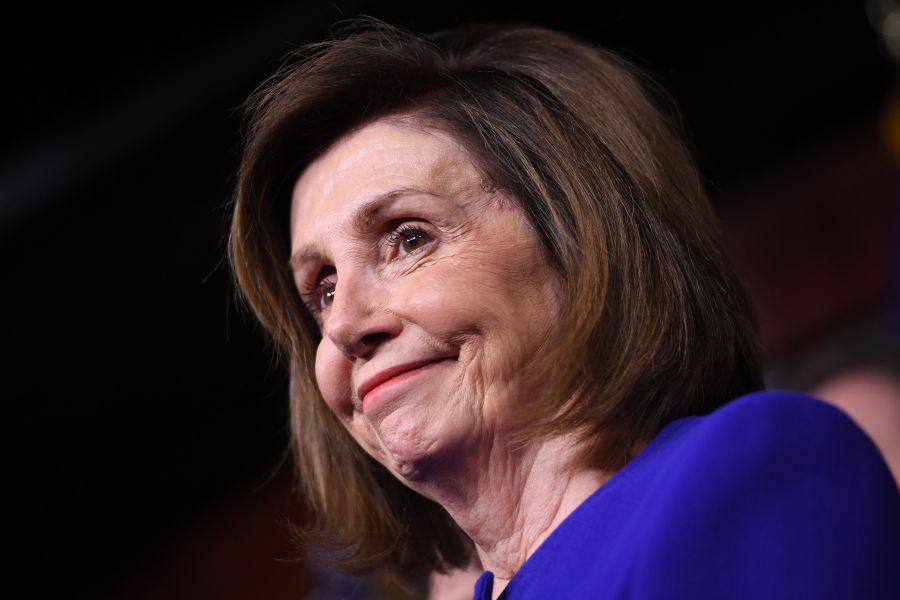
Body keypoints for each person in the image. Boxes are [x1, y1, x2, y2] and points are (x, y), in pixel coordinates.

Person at [229, 19, 900, 599]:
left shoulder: (749, 477)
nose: (344, 325)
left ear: (581, 244)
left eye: (409, 239)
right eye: (321, 289)